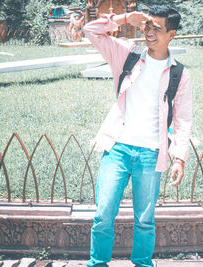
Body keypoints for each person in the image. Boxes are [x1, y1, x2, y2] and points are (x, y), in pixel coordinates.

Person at [82, 5, 192, 267]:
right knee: (103, 214)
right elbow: (90, 30)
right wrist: (123, 19)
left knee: (145, 219)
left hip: (151, 153)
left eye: (157, 28)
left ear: (171, 34)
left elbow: (183, 119)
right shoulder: (127, 55)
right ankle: (98, 263)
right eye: (147, 26)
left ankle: (142, 263)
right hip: (117, 148)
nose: (149, 32)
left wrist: (179, 158)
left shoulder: (179, 73)